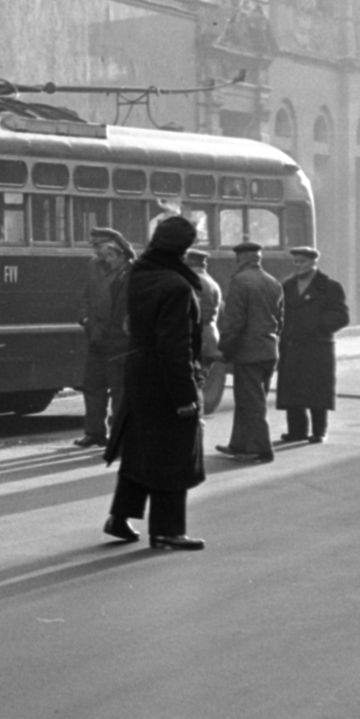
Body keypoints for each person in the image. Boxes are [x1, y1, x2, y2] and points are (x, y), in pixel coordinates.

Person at [101, 216, 208, 550]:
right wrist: (186, 396)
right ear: (183, 247)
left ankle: (119, 518)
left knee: (140, 451)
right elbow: (175, 347)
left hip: (139, 375)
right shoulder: (176, 286)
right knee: (174, 456)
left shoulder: (141, 274)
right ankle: (167, 531)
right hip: (166, 381)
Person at [214, 240, 283, 463]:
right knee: (250, 399)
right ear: (258, 258)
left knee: (251, 402)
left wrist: (224, 347)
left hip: (248, 352)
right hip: (269, 350)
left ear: (241, 259)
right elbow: (280, 320)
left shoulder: (240, 281)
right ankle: (240, 444)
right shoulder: (273, 282)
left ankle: (261, 449)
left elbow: (235, 321)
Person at [275, 246, 349, 444]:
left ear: (314, 262)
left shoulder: (330, 286)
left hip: (317, 346)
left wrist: (318, 325)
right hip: (292, 345)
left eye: (303, 262)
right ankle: (296, 431)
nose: (298, 265)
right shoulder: (287, 286)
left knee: (317, 391)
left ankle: (319, 431)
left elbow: (341, 316)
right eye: (296, 262)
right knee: (293, 390)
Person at [74, 227, 134, 448]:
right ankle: (95, 432)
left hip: (121, 340)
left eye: (99, 248)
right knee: (92, 385)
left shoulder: (133, 271)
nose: (97, 253)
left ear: (115, 251)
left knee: (120, 391)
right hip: (98, 336)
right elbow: (85, 296)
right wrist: (85, 320)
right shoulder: (94, 266)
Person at [185, 247, 226, 408]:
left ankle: (195, 423)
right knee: (198, 382)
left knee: (192, 386)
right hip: (209, 337)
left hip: (196, 337)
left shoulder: (192, 281)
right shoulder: (211, 281)